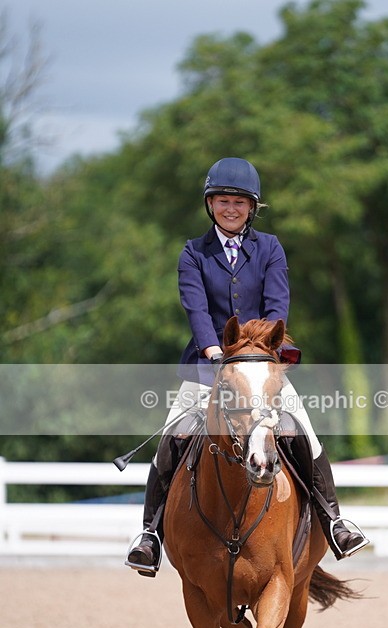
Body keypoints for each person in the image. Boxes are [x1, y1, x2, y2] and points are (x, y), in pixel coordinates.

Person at [126, 157, 368, 575]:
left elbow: (277, 306)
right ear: (210, 204)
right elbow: (196, 309)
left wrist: (264, 351)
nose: (231, 208)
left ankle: (334, 521)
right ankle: (149, 535)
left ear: (252, 207)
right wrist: (212, 350)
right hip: (209, 365)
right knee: (174, 434)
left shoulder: (270, 248)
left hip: (260, 365)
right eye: (223, 201)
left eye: (239, 202)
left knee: (302, 430)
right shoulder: (193, 253)